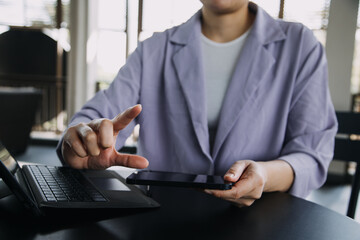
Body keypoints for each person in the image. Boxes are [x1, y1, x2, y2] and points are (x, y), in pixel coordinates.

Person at [57, 0, 337, 207]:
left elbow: (312, 154)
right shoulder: (154, 49)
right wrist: (82, 141)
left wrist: (265, 174)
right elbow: (98, 114)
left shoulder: (300, 45)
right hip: (163, 216)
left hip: (265, 218)